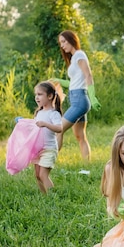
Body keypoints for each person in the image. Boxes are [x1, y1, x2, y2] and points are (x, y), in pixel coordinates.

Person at [52, 30, 101, 162]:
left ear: (72, 40)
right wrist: (59, 81)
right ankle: (87, 164)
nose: (62, 45)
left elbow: (88, 75)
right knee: (80, 136)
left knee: (58, 129)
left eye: (64, 41)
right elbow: (75, 82)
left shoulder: (79, 55)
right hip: (76, 99)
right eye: (60, 43)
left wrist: (93, 96)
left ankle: (47, 163)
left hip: (80, 100)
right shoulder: (74, 58)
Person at [33, 81, 63, 194]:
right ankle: (44, 196)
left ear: (50, 96)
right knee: (37, 175)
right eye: (36, 94)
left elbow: (59, 128)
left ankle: (52, 198)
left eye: (40, 94)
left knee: (43, 174)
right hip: (38, 149)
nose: (37, 97)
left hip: (49, 149)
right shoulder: (39, 112)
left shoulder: (53, 113)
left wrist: (45, 124)